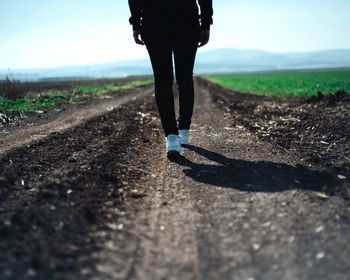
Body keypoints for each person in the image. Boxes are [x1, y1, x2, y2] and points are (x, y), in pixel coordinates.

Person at [128, 0, 213, 159]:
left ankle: (175, 135)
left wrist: (136, 23)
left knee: (164, 79)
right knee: (183, 77)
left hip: (155, 20)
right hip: (184, 20)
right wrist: (206, 23)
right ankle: (178, 133)